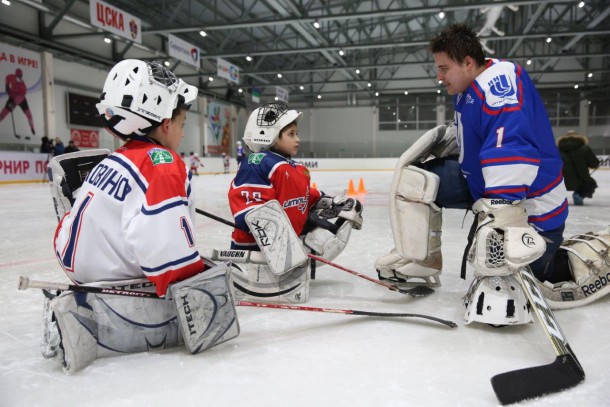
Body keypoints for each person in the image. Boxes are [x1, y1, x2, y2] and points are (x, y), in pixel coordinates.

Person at [375, 24, 609, 326]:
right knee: (419, 181)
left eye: (444, 68)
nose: (439, 76)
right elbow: (483, 135)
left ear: (468, 62)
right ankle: (421, 260)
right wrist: (455, 142)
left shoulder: (500, 84)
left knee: (521, 275)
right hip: (485, 188)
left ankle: (567, 261)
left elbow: (512, 146)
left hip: (530, 210)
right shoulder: (466, 88)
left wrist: (503, 210)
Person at [43, 60, 238, 373]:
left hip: (75, 261)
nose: (183, 131)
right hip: (111, 278)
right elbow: (165, 251)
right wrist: (201, 288)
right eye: (183, 122)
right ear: (164, 123)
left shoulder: (115, 160)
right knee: (208, 282)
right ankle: (84, 319)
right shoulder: (163, 163)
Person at [226, 102, 363, 303]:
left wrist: (331, 202)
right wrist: (285, 247)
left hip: (289, 244)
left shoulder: (295, 168)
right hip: (256, 250)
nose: (297, 139)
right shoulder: (258, 163)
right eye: (291, 134)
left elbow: (304, 195)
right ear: (268, 134)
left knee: (335, 228)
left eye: (296, 133)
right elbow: (248, 211)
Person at [557, 130, 600, 206]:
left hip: (561, 181)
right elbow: (594, 164)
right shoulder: (585, 148)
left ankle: (556, 198)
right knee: (591, 184)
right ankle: (579, 194)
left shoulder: (557, 150)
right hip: (580, 180)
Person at [0, 68, 36, 139]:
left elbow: (20, 97)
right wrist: (7, 86)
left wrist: (13, 104)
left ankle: (32, 128)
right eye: (17, 77)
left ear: (21, 77)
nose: (18, 79)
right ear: (15, 75)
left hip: (21, 100)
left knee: (29, 114)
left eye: (19, 77)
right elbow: (7, 78)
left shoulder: (23, 87)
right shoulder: (11, 77)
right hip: (12, 97)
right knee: (4, 113)